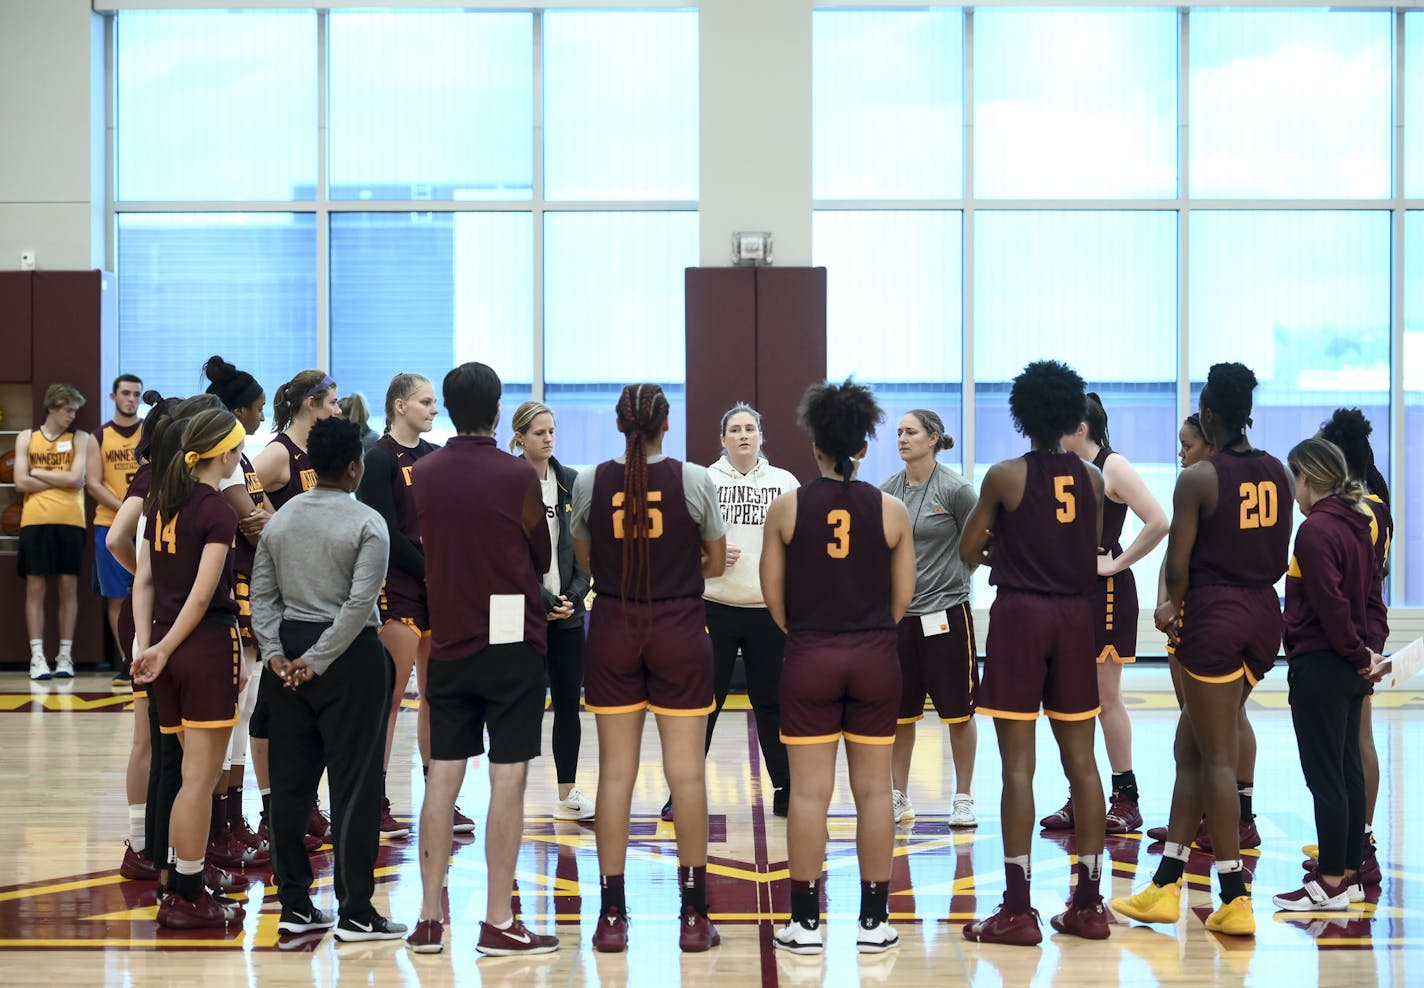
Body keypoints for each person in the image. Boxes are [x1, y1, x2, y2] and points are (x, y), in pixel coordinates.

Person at [1113, 362, 1292, 939]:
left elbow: (1179, 565)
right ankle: (1167, 882)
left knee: (1213, 755)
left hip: (1215, 615)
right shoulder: (1280, 472)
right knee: (1191, 744)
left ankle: (1234, 894)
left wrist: (1167, 610)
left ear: (1210, 415)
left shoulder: (1199, 478)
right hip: (1265, 614)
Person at [405, 362, 559, 957]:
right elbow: (539, 548)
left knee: (442, 778)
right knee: (508, 778)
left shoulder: (424, 471)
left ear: (445, 408)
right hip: (512, 643)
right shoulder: (518, 473)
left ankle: (426, 919)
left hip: (448, 641)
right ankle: (498, 920)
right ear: (498, 413)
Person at [570, 383, 727, 953]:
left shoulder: (588, 480)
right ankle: (692, 915)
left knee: (615, 775)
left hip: (612, 623)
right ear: (666, 423)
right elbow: (713, 558)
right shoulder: (694, 479)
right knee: (685, 774)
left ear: (620, 424)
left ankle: (612, 917)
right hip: (681, 625)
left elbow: (584, 558)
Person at [958, 360, 1108, 947]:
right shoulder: (1093, 479)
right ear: (1074, 414)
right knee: (1085, 765)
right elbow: (1083, 545)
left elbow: (971, 548)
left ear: (1021, 414)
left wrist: (1007, 549)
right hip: (1076, 617)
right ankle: (1090, 905)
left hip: (1021, 616)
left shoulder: (1004, 475)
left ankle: (1018, 910)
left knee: (1018, 767)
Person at [763, 380, 915, 955]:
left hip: (809, 655)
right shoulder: (892, 509)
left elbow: (774, 600)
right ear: (862, 446)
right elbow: (904, 599)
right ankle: (874, 922)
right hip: (876, 655)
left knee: (807, 795)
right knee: (876, 795)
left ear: (815, 447)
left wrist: (811, 632)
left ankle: (804, 923)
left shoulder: (788, 506)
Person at [251, 416, 406, 942]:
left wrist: (276, 655)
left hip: (286, 658)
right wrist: (318, 659)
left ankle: (294, 906)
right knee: (355, 787)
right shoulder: (368, 523)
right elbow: (360, 603)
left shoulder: (280, 520)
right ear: (356, 466)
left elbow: (264, 598)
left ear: (313, 465)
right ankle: (357, 912)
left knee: (290, 789)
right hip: (349, 658)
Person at [130, 407, 248, 929]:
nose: (241, 456)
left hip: (164, 645)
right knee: (199, 778)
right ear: (224, 453)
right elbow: (202, 598)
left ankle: (176, 882)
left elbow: (144, 581)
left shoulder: (160, 501)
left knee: (182, 775)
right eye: (239, 448)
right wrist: (167, 645)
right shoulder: (217, 509)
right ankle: (190, 895)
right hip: (200, 646)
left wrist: (150, 643)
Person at [357, 373, 475, 839]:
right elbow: (383, 531)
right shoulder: (378, 458)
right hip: (398, 587)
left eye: (435, 402)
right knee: (386, 702)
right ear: (399, 405)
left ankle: (440, 800)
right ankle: (375, 801)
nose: (434, 409)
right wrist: (431, 567)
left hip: (437, 589)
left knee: (436, 699)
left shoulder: (435, 457)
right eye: (425, 402)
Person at [1271, 437, 1387, 912]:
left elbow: (1330, 604)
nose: (1293, 493)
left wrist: (1356, 652)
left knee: (1326, 779)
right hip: (1352, 664)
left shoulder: (1315, 530)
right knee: (1348, 772)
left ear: (1306, 478)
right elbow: (1373, 599)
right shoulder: (1360, 524)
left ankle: (1332, 881)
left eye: (1293, 480)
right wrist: (1370, 652)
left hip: (1323, 662)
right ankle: (1351, 875)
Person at [1043, 393, 1167, 834]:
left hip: (1106, 592)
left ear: (1081, 427)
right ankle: (1082, 795)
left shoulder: (1111, 466)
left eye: (1061, 424)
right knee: (1072, 699)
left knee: (1105, 697)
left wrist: (1115, 563)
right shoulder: (1060, 467)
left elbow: (1158, 520)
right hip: (1068, 591)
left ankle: (1126, 798)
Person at [673, 402, 798, 822]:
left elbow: (798, 541)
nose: (744, 435)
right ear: (722, 439)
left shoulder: (784, 482)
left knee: (772, 702)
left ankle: (785, 788)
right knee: (703, 703)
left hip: (767, 608)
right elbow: (677, 539)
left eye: (750, 428)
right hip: (713, 606)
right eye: (735, 430)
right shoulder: (703, 479)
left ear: (761, 437)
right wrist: (703, 553)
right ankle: (682, 791)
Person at [1302, 408, 1392, 885]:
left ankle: (1359, 845)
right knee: (1354, 746)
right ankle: (1349, 847)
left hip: (1347, 648)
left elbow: (1360, 589)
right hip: (1361, 643)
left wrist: (1363, 651)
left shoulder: (1355, 513)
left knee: (1354, 747)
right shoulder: (1372, 504)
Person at [252, 367, 342, 844]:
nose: (337, 410)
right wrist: (264, 521)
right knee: (273, 709)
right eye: (331, 402)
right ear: (311, 404)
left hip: (316, 593)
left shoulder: (317, 454)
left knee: (312, 708)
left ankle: (305, 801)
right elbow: (240, 485)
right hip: (284, 602)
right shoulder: (278, 453)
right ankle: (272, 809)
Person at [880, 409, 979, 828]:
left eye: (911, 432)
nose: (902, 438)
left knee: (959, 713)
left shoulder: (957, 490)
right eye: (899, 432)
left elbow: (978, 544)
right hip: (901, 619)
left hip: (947, 615)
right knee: (901, 715)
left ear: (933, 438)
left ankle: (963, 797)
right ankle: (898, 795)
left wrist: (953, 580)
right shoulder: (886, 492)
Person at [202, 355, 275, 867]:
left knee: (244, 708)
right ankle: (218, 829)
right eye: (257, 410)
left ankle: (232, 822)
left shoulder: (244, 461)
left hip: (250, 583)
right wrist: (265, 520)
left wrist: (267, 519)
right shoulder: (221, 464)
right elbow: (252, 522)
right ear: (237, 411)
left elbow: (264, 516)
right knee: (232, 710)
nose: (260, 419)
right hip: (233, 586)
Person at [510, 400, 595, 822]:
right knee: (519, 706)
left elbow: (584, 555)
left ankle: (567, 793)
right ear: (520, 436)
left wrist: (572, 598)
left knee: (567, 703)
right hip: (521, 615)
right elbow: (505, 556)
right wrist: (541, 601)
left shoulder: (572, 482)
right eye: (539, 432)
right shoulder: (507, 482)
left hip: (567, 614)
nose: (547, 439)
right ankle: (512, 792)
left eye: (552, 431)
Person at [15, 383, 89, 681]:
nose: (72, 415)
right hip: (33, 520)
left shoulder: (80, 438)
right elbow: (20, 482)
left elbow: (78, 478)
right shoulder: (26, 438)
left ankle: (64, 656)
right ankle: (37, 657)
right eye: (68, 410)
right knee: (35, 588)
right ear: (52, 408)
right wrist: (62, 480)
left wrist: (38, 473)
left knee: (67, 588)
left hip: (70, 520)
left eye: (74, 410)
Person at [86, 373, 144, 682]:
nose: (131, 399)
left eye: (136, 394)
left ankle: (144, 652)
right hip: (109, 524)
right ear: (113, 397)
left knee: (148, 587)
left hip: (146, 522)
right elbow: (93, 483)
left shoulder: (149, 431)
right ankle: (125, 660)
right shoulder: (99, 436)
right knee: (117, 596)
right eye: (126, 393)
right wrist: (125, 510)